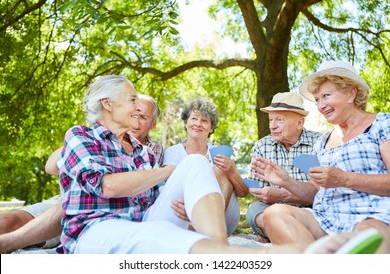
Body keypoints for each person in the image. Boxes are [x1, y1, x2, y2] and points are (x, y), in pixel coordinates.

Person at [0, 74, 384, 255]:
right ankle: (284, 257)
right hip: (96, 226)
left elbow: (161, 191)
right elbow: (107, 186)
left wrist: (192, 180)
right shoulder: (82, 137)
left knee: (198, 169)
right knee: (158, 237)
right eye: (132, 101)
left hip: (147, 216)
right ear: (107, 106)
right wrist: (174, 174)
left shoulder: (147, 149)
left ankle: (221, 247)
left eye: (143, 109)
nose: (139, 108)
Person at [0, 92, 164, 254]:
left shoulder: (151, 151)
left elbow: (145, 191)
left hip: (112, 212)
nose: (136, 119)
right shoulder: (92, 136)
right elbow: (50, 168)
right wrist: (77, 146)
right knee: (8, 221)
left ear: (152, 124)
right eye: (133, 112)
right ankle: (11, 242)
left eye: (143, 117)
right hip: (67, 201)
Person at [257, 60, 390, 253]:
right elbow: (316, 191)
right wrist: (286, 181)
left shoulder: (382, 124)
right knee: (274, 214)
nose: (321, 105)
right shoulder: (323, 141)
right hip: (325, 218)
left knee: (368, 235)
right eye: (318, 99)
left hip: (372, 215)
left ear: (350, 93)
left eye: (326, 96)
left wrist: (344, 179)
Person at [163, 98, 248, 235]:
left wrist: (231, 171)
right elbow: (171, 188)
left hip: (222, 218)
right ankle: (205, 230)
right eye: (194, 119)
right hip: (186, 213)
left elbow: (243, 192)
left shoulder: (219, 152)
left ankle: (211, 227)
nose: (198, 124)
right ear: (186, 123)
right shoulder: (173, 152)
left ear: (211, 127)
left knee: (220, 167)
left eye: (204, 121)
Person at [245, 92, 322, 242]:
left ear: (300, 122)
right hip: (273, 207)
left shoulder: (319, 142)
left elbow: (322, 193)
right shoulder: (262, 145)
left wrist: (282, 195)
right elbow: (255, 184)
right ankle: (294, 235)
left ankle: (280, 236)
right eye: (271, 120)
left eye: (279, 120)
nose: (272, 126)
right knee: (254, 210)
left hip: (311, 209)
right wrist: (258, 190)